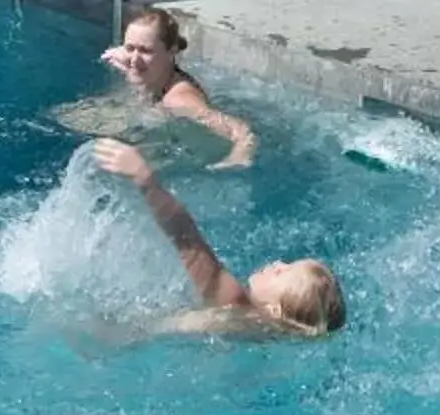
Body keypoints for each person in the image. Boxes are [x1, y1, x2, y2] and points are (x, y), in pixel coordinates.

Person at [91, 139, 344, 335]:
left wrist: (143, 177)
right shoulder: (271, 334)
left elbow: (186, 239)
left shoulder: (233, 305)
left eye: (282, 272)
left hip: (125, 336)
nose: (278, 263)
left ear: (274, 309)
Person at [97, 7, 256, 169]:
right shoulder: (149, 72)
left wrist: (237, 158)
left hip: (186, 161)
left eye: (146, 51)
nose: (134, 60)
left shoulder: (180, 100)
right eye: (130, 48)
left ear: (172, 50)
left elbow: (242, 131)